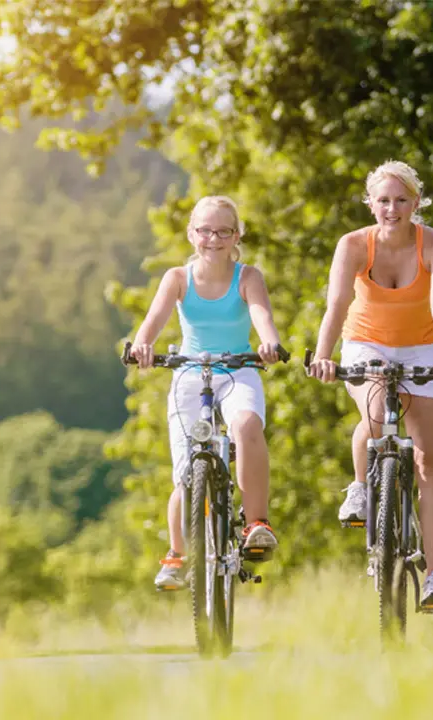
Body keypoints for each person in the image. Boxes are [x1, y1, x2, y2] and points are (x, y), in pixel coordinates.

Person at [307, 160, 433, 613]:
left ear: (416, 203)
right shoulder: (353, 245)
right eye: (383, 200)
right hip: (367, 341)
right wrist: (323, 355)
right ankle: (361, 486)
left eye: (401, 200)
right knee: (376, 412)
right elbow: (337, 304)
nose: (392, 209)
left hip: (426, 346)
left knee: (429, 460)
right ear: (370, 203)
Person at [127, 195, 288, 591]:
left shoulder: (248, 277)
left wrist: (269, 342)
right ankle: (177, 554)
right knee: (186, 472)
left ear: (237, 236)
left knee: (246, 425)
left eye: (223, 231)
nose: (213, 239)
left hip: (238, 370)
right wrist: (143, 345)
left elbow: (261, 315)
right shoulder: (178, 278)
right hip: (190, 372)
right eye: (205, 230)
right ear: (191, 234)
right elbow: (154, 318)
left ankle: (256, 523)